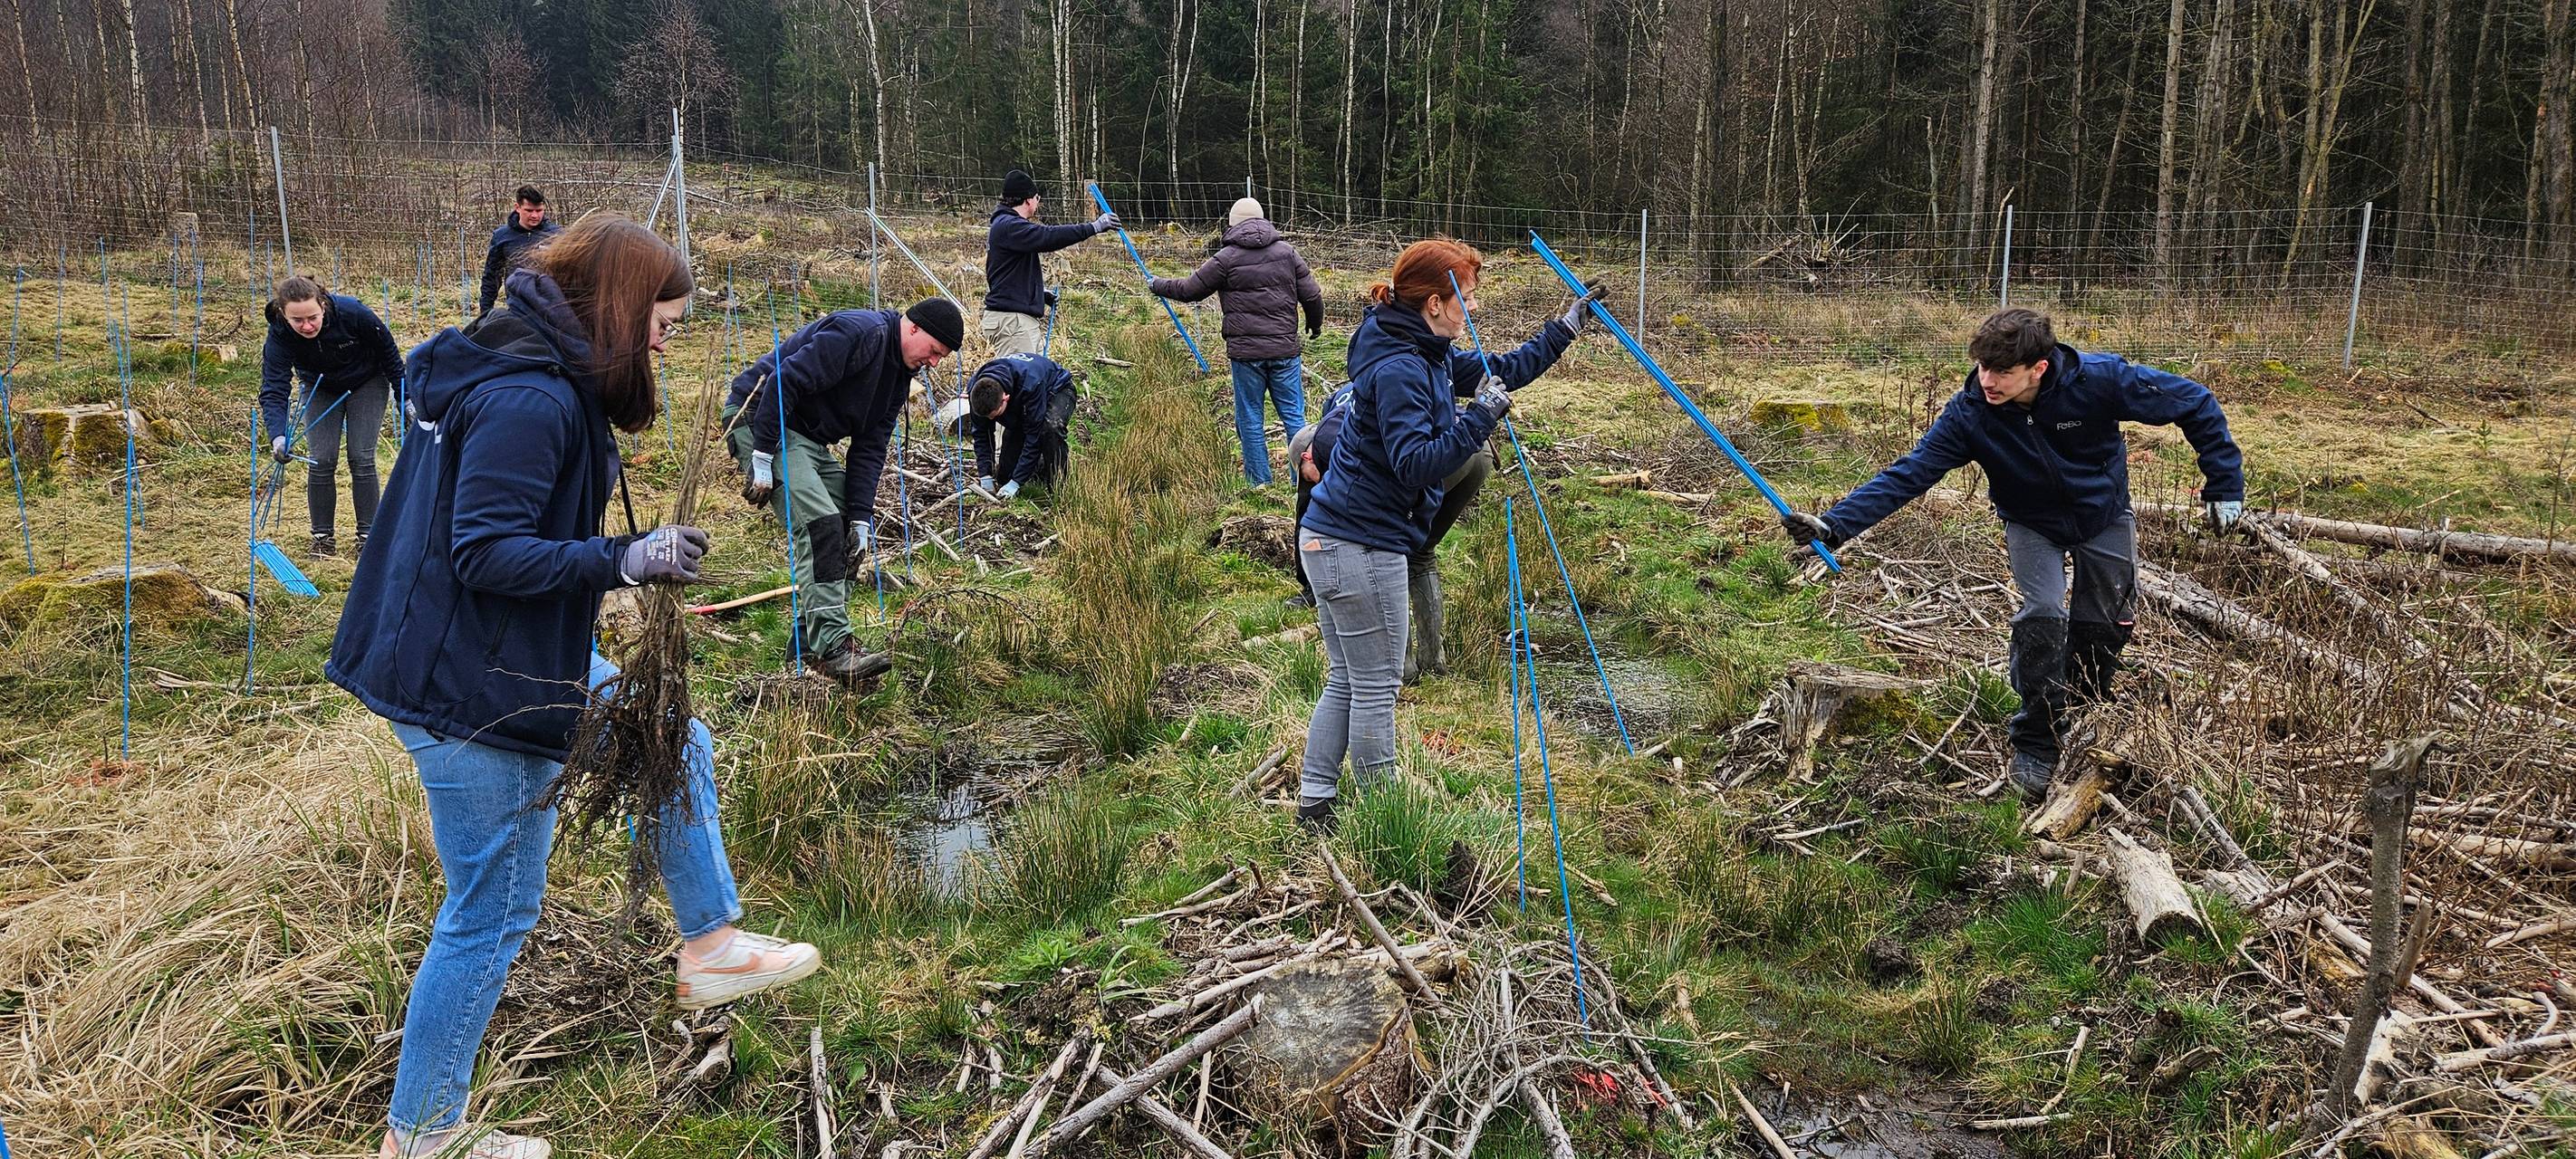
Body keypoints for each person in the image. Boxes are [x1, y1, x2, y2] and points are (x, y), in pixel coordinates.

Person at [328, 215, 822, 1159]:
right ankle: (423, 1138)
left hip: (479, 648)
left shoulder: (507, 354)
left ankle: (709, 941)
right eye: (663, 326)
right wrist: (622, 559)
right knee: (490, 912)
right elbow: (485, 550)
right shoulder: (532, 398)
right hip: (473, 683)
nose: (667, 347)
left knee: (670, 731)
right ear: (622, 308)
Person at [1778, 307, 2245, 801]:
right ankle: (2036, 740)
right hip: (2030, 522)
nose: (1987, 381)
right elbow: (1910, 473)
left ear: (2038, 368)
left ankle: (2082, 699)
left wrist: (2224, 482)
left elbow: (2194, 401)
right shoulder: (1971, 413)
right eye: (1982, 367)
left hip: (2103, 513)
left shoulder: (2100, 381)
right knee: (2043, 614)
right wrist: (1834, 525)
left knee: (2104, 623)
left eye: (2001, 372)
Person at [1294, 239, 1597, 834]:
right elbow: (1416, 462)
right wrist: (1480, 418)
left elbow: (1500, 368)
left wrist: (1564, 330)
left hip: (1330, 538)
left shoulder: (1419, 348)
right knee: (1377, 686)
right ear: (1436, 303)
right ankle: (1386, 818)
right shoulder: (1405, 366)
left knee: (1348, 679)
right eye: (1468, 297)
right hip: (1359, 544)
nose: (1474, 309)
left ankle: (1317, 803)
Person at [725, 298, 963, 683]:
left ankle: (808, 651)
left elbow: (869, 450)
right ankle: (834, 648)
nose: (934, 363)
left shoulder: (897, 381)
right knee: (819, 523)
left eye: (942, 357)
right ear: (914, 328)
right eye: (935, 351)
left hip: (805, 439)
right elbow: (784, 382)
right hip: (759, 418)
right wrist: (763, 455)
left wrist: (861, 519)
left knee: (846, 537)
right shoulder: (859, 334)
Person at [1286, 384, 1494, 683]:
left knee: (1389, 552)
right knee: (1420, 555)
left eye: (1305, 476)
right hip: (1475, 447)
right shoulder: (1350, 403)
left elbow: (1311, 513)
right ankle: (1433, 662)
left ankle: (1403, 667)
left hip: (1437, 455)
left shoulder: (1330, 442)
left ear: (1306, 456)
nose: (1312, 484)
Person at [1148, 197, 1325, 485]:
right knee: (1295, 416)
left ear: (1233, 224)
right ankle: (1302, 480)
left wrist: (1158, 285)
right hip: (1284, 350)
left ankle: (1259, 483)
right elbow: (1312, 295)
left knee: (1251, 417)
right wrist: (1314, 325)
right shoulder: (1287, 252)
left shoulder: (1227, 257)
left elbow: (1190, 289)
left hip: (1247, 355)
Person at [259, 275, 405, 556]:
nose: (307, 326)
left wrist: (405, 398)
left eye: (312, 317)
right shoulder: (279, 334)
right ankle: (323, 538)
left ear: (323, 305)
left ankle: (368, 538)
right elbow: (274, 388)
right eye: (297, 321)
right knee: (321, 459)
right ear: (284, 315)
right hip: (319, 386)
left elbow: (390, 355)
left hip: (367, 381)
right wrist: (278, 436)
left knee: (361, 458)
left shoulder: (353, 313)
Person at [983, 168, 1115, 357]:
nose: (1038, 202)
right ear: (1029, 199)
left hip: (1015, 320)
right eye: (1037, 197)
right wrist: (1094, 227)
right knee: (1020, 383)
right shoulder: (1010, 226)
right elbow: (1047, 237)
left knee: (1032, 379)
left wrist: (1037, 294)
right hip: (1013, 323)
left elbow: (1008, 275)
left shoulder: (1008, 226)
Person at [956, 351, 1078, 500]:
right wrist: (985, 475)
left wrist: (1016, 482)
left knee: (1050, 428)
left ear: (1005, 398)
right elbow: (981, 434)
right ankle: (1038, 467)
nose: (991, 419)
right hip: (1020, 403)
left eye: (994, 415)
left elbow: (1034, 435)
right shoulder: (977, 390)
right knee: (1004, 477)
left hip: (1057, 389)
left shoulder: (1031, 384)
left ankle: (1058, 486)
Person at [478, 185, 562, 316]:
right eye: (529, 210)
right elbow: (492, 276)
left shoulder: (556, 235)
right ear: (517, 207)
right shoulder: (502, 237)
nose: (535, 215)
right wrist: (485, 312)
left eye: (539, 210)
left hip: (551, 309)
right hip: (518, 308)